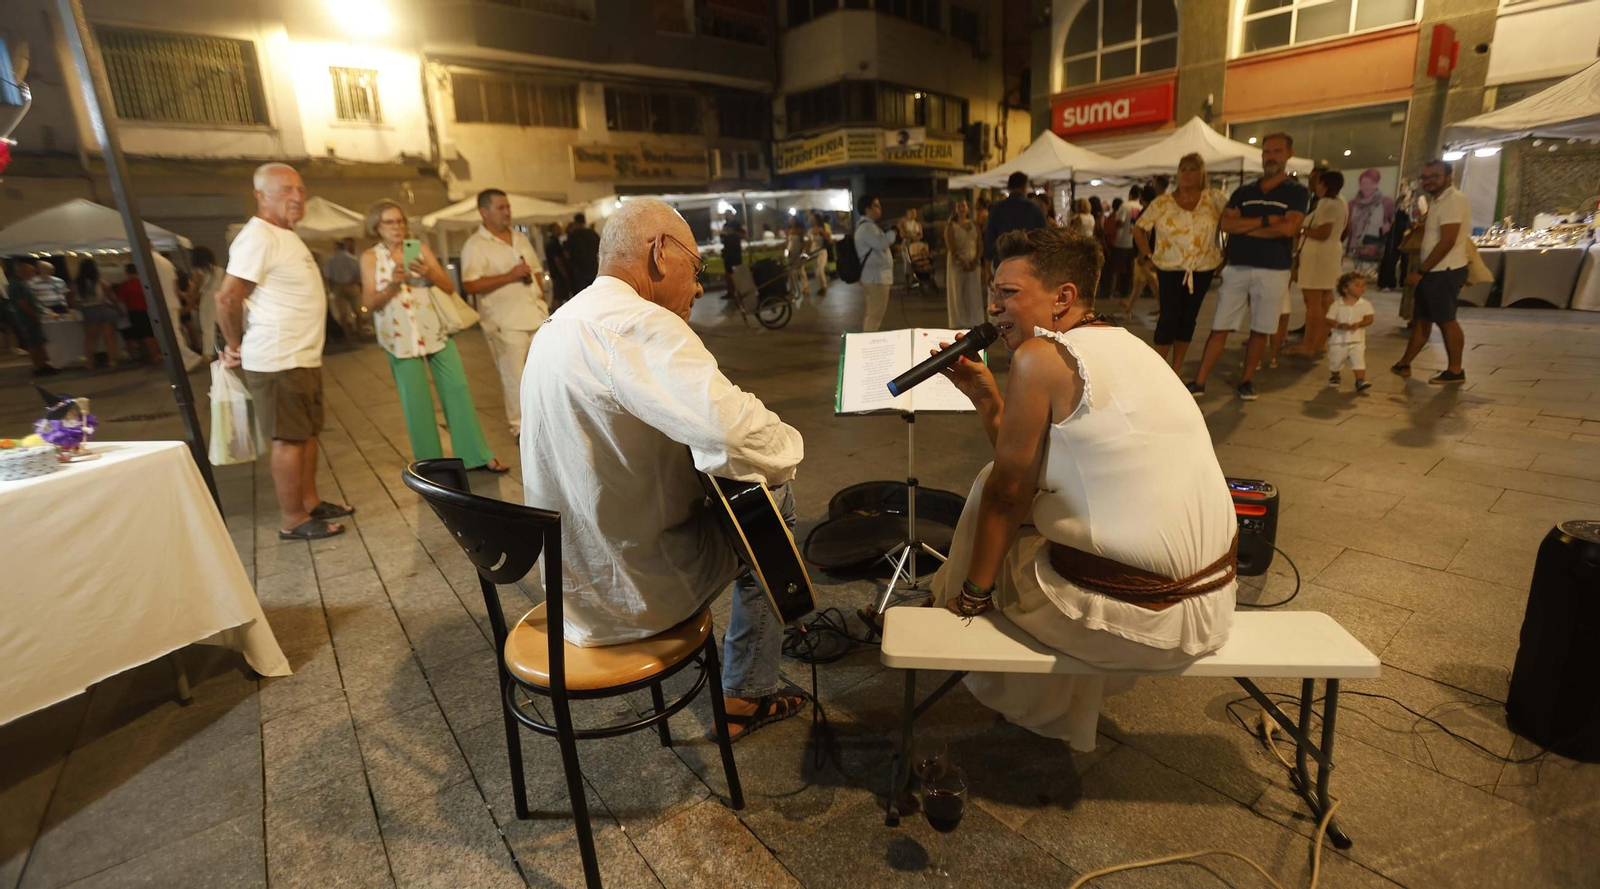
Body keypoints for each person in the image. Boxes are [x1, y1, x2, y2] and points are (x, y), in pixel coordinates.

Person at [928, 225, 1237, 751]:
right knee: (1022, 506)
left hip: (1146, 620)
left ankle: (961, 627)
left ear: (1063, 297)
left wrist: (973, 594)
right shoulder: (1131, 346)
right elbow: (1032, 464)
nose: (994, 308)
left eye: (1008, 294)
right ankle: (1059, 709)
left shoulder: (1039, 356)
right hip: (1214, 601)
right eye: (992, 293)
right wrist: (987, 398)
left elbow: (1009, 492)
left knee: (993, 512)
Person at [520, 198, 807, 741]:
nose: (699, 288)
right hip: (636, 589)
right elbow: (744, 436)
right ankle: (747, 692)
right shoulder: (639, 323)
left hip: (573, 589)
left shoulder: (558, 322)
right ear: (658, 253)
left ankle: (749, 675)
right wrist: (791, 445)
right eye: (696, 269)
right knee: (773, 498)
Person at [215, 163, 352, 538]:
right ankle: (293, 520)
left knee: (306, 434)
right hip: (278, 359)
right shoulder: (257, 236)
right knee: (289, 439)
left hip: (301, 356)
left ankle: (309, 502)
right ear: (261, 196)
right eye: (285, 190)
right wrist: (232, 344)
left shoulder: (284, 234)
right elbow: (227, 296)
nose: (296, 197)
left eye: (300, 190)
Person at [360, 200, 509, 473]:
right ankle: (432, 466)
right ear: (376, 227)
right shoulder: (370, 258)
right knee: (416, 403)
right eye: (389, 223)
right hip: (399, 339)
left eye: (400, 221)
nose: (397, 227)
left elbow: (449, 286)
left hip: (435, 331)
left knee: (458, 390)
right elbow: (369, 302)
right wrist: (393, 283)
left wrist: (429, 272)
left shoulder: (420, 249)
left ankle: (476, 455)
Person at [1187, 132, 1309, 401]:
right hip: (1239, 267)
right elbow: (1227, 225)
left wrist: (1249, 226)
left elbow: (1289, 228)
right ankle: (1199, 380)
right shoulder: (1245, 191)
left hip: (1274, 269)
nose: (1270, 157)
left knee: (1261, 328)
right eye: (1267, 152)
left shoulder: (1297, 192)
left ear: (1289, 154)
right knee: (1220, 325)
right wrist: (1268, 222)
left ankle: (1247, 380)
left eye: (1277, 151)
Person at [461, 189, 550, 438]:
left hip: (534, 316)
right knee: (515, 378)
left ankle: (544, 422)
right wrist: (509, 276)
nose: (507, 212)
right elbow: (470, 284)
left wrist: (542, 301)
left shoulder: (520, 238)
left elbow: (535, 272)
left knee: (541, 375)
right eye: (501, 208)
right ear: (484, 212)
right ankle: (520, 428)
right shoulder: (476, 245)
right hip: (505, 321)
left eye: (508, 207)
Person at [1133, 153, 1228, 377]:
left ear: (1202, 173)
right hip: (1169, 268)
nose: (1186, 173)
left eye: (1192, 168)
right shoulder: (1163, 202)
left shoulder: (1213, 199)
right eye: (1183, 168)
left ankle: (1176, 369)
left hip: (1202, 268)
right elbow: (1139, 228)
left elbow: (1234, 222)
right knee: (1168, 317)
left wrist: (1227, 255)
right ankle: (1156, 372)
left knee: (1188, 319)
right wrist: (1148, 256)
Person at [1394, 160, 1471, 385]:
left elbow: (1447, 241)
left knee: (1446, 320)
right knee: (1422, 319)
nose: (1428, 181)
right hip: (1435, 270)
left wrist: (1421, 271)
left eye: (1434, 176)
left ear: (1449, 176)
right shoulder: (1438, 200)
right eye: (1425, 177)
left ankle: (1455, 370)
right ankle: (1404, 363)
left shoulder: (1453, 200)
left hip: (1444, 270)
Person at [1287, 170, 1348, 358]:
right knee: (1325, 300)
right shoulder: (1341, 201)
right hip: (1330, 254)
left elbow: (1323, 232)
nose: (1315, 185)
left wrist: (1301, 229)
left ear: (1324, 184)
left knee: (1313, 302)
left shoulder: (1326, 204)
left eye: (1317, 182)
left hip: (1318, 256)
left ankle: (1308, 345)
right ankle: (1320, 342)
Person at [984, 171, 1047, 269]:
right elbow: (1043, 239)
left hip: (1002, 263)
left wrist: (987, 266)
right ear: (1024, 187)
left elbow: (989, 239)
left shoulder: (997, 208)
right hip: (1027, 265)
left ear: (1009, 187)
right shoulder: (1035, 209)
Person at [6, 260, 59, 376]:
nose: (34, 273)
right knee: (34, 343)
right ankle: (39, 366)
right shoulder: (16, 285)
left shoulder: (23, 283)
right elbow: (22, 303)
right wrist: (35, 314)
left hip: (30, 317)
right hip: (27, 318)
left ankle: (43, 364)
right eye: (32, 271)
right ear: (23, 271)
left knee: (38, 342)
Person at [854, 194, 897, 331]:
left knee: (873, 314)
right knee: (874, 315)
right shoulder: (867, 227)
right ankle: (869, 346)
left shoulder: (867, 226)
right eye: (876, 206)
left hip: (874, 277)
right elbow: (881, 243)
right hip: (876, 278)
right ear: (867, 209)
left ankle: (868, 342)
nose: (880, 209)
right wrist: (895, 232)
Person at [1326, 271, 1375, 392]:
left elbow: (1369, 319)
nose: (1362, 288)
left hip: (1357, 340)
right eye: (1358, 285)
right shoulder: (1337, 305)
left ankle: (1360, 380)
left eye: (1363, 285)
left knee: (1359, 360)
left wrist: (1359, 324)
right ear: (1345, 289)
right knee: (1336, 360)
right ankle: (1335, 375)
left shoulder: (1365, 304)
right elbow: (1329, 319)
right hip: (1339, 340)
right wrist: (1338, 325)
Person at [74, 260, 121, 369]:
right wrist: (118, 307)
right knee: (109, 337)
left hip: (88, 310)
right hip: (103, 309)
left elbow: (74, 301)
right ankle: (112, 360)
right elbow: (111, 297)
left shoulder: (77, 283)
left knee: (90, 338)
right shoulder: (100, 282)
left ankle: (90, 362)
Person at [944, 198, 982, 328]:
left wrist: (976, 259)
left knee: (973, 292)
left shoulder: (974, 224)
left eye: (964, 205)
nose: (961, 208)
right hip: (957, 263)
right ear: (955, 209)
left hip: (973, 262)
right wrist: (962, 260)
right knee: (958, 291)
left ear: (967, 208)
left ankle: (974, 320)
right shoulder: (951, 226)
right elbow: (951, 245)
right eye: (959, 205)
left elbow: (979, 242)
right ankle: (959, 321)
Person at [116, 263, 160, 364]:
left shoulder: (125, 284)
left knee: (140, 335)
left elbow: (121, 299)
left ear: (127, 272)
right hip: (148, 310)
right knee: (150, 333)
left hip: (133, 312)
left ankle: (149, 355)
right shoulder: (144, 283)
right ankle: (154, 354)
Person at [1346, 168, 1395, 258]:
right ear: (1360, 184)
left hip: (1376, 252)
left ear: (1376, 184)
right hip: (1353, 250)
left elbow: (1392, 224)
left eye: (1372, 183)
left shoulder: (1386, 202)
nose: (1367, 187)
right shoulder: (1352, 204)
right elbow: (1348, 229)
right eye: (1364, 183)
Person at [1107, 186, 1143, 299]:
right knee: (1130, 269)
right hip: (1135, 242)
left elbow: (1119, 223)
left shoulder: (1124, 206)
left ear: (1130, 195)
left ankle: (1110, 292)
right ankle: (1127, 292)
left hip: (1121, 241)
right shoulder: (1141, 207)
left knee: (1115, 268)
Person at [323, 239, 364, 339]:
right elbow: (359, 274)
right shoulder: (353, 259)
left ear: (335, 248)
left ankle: (347, 335)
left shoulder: (331, 260)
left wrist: (330, 288)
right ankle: (361, 333)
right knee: (358, 311)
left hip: (338, 287)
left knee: (343, 314)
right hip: (352, 285)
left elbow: (327, 276)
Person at [564, 212, 601, 294]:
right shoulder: (593, 234)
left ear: (576, 222)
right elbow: (600, 250)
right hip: (593, 268)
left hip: (578, 271)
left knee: (581, 295)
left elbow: (567, 255)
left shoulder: (573, 236)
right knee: (594, 292)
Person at [543, 222, 572, 309]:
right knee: (558, 295)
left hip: (555, 272)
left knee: (558, 294)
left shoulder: (551, 242)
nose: (560, 230)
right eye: (558, 228)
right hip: (558, 273)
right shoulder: (553, 243)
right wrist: (563, 272)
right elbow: (557, 259)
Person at [719, 219, 746, 299]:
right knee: (728, 274)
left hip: (736, 252)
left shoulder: (737, 224)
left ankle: (740, 291)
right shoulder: (725, 225)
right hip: (727, 253)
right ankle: (730, 292)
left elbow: (743, 235)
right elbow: (722, 238)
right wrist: (723, 235)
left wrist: (733, 232)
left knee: (737, 272)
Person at [784, 217, 810, 298]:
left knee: (801, 270)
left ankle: (805, 287)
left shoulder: (800, 231)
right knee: (791, 271)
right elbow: (788, 241)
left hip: (798, 251)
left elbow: (802, 242)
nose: (791, 221)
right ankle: (792, 289)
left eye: (792, 220)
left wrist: (802, 251)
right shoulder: (789, 230)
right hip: (790, 251)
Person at [808, 212, 830, 293]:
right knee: (816, 270)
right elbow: (810, 242)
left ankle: (824, 286)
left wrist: (823, 232)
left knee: (820, 269)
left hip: (821, 251)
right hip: (813, 251)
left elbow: (828, 239)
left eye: (814, 219)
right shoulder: (810, 230)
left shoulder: (823, 228)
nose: (812, 221)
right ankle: (820, 287)